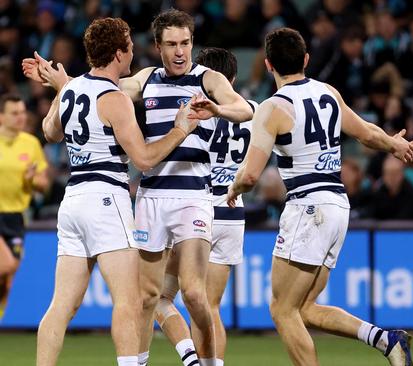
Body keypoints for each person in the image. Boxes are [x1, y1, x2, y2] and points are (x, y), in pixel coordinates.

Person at [24, 9, 254, 366]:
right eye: (171, 44)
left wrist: (218, 110)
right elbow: (105, 92)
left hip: (191, 196)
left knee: (194, 294)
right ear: (157, 47)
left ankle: (210, 362)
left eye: (186, 43)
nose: (180, 51)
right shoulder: (144, 79)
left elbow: (244, 109)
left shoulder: (207, 79)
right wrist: (64, 81)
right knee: (144, 297)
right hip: (147, 196)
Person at [198, 27, 413, 366]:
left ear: (268, 65)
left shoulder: (272, 108)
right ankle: (386, 340)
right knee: (304, 309)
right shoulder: (327, 92)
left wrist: (235, 187)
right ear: (306, 59)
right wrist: (395, 144)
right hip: (338, 205)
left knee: (281, 309)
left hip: (308, 206)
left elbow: (252, 175)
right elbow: (367, 132)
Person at [153, 47, 257, 366]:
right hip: (233, 213)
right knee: (210, 307)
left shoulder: (194, 108)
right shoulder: (252, 109)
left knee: (160, 297)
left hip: (198, 209)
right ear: (234, 79)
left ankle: (190, 358)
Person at [0, 93, 49, 320]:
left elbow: (43, 185)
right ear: (2, 116)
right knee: (6, 265)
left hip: (17, 217)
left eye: (22, 112)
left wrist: (32, 179)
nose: (21, 117)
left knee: (8, 280)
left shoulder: (31, 144)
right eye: (14, 113)